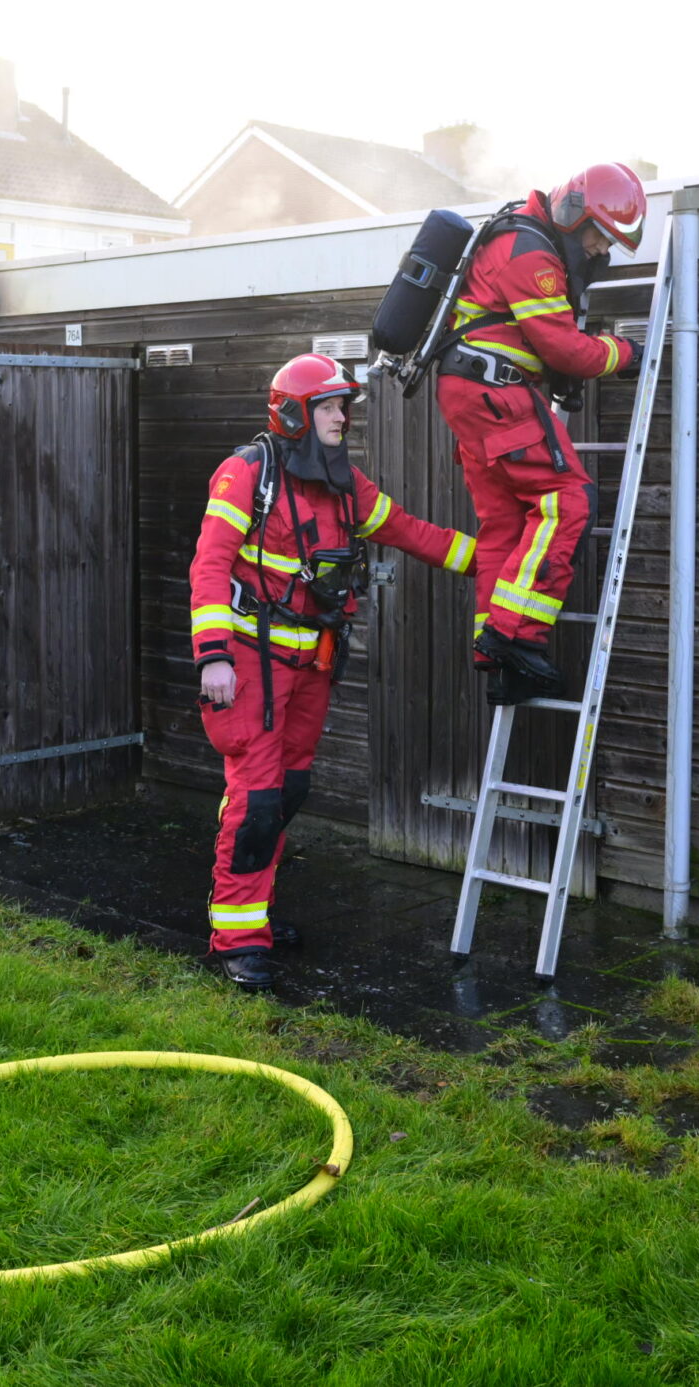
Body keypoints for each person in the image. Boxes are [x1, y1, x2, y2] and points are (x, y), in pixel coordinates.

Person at [188, 353, 476, 990]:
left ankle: (253, 913)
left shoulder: (344, 482)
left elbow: (406, 530)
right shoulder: (247, 476)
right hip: (248, 663)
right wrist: (212, 656)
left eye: (345, 406)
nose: (343, 417)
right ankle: (237, 938)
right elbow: (209, 567)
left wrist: (486, 563)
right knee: (257, 799)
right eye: (330, 407)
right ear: (294, 413)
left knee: (287, 794)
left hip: (312, 663)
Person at [432, 162, 648, 704]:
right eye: (601, 236)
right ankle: (513, 635)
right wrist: (626, 353)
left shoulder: (521, 239)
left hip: (473, 391)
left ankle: (493, 653)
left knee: (505, 522)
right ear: (576, 216)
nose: (602, 251)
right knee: (567, 502)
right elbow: (563, 349)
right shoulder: (532, 255)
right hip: (497, 391)